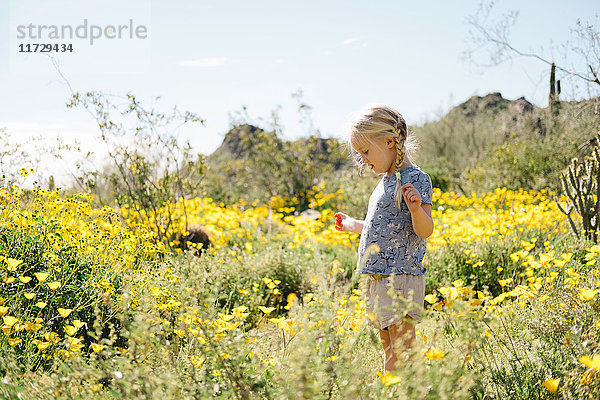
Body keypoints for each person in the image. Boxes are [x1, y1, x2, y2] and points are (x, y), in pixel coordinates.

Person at [334, 104, 433, 373]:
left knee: (402, 347)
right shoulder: (386, 181)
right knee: (388, 344)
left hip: (400, 275)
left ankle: (405, 391)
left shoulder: (416, 179)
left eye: (366, 151)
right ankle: (395, 389)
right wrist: (354, 225)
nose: (363, 160)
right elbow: (384, 227)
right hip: (379, 275)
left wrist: (415, 209)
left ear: (389, 142)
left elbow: (425, 230)